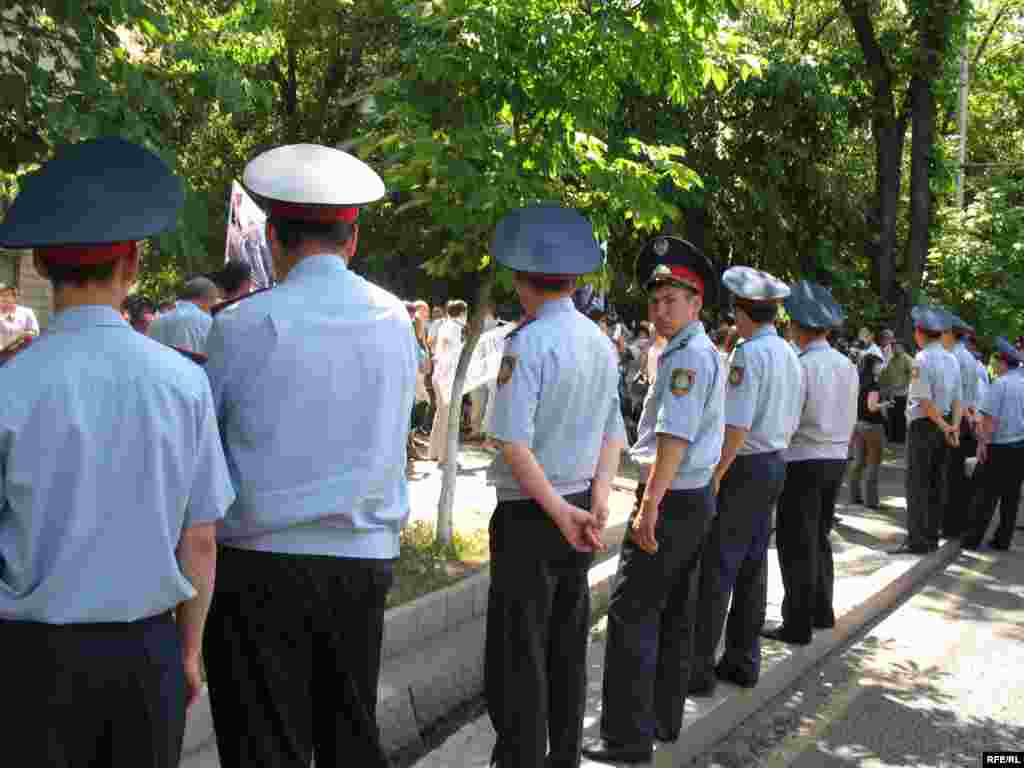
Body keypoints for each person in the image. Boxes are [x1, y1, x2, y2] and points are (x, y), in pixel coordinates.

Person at [0, 137, 234, 768]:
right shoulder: (183, 382)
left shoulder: (8, 385)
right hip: (144, 653)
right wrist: (189, 652)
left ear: (41, 263)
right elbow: (200, 538)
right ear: (132, 264)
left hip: (29, 661)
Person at [202, 144, 416, 768]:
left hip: (260, 563)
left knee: (264, 744)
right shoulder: (395, 320)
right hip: (361, 559)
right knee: (350, 734)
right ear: (354, 239)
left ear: (272, 237)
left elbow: (208, 441)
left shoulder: (239, 325)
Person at [483, 205, 624, 768]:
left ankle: (520, 759)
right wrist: (598, 500)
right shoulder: (600, 343)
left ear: (523, 281)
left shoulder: (528, 343)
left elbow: (513, 444)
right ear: (572, 281)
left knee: (519, 653)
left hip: (531, 514)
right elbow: (613, 434)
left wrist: (561, 512)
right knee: (566, 646)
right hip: (579, 508)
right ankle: (563, 756)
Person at [583, 237, 723, 764]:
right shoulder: (695, 351)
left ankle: (625, 738)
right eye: (655, 299)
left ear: (696, 303)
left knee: (631, 614)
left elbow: (674, 437)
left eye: (672, 299)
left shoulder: (688, 357)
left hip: (671, 498)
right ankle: (663, 719)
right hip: (690, 497)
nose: (660, 309)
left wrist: (649, 506)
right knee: (674, 612)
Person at [691, 266, 803, 693]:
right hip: (774, 462)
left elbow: (736, 426)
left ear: (741, 312)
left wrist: (717, 474)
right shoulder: (788, 353)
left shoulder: (748, 355)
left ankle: (698, 668)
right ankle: (743, 659)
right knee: (753, 566)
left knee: (718, 566)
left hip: (745, 466)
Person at [763, 281, 857, 646]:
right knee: (819, 537)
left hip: (803, 459)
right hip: (836, 458)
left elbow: (790, 419)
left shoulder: (801, 366)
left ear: (799, 326)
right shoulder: (846, 364)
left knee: (795, 543)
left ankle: (797, 623)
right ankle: (821, 610)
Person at [894, 306, 961, 554]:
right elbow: (958, 399)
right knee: (935, 483)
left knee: (917, 484)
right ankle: (931, 537)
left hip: (925, 426)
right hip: (944, 423)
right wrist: (953, 426)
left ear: (920, 333)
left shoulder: (921, 359)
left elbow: (923, 400)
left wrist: (943, 425)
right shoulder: (951, 359)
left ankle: (918, 540)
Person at [962, 338, 1024, 550]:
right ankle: (1003, 539)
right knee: (1011, 496)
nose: (993, 364)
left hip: (999, 447)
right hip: (1019, 445)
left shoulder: (1001, 384)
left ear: (1003, 362)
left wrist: (982, 444)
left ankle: (972, 539)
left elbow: (990, 420)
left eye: (995, 360)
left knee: (986, 496)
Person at [429, 299, 468, 462]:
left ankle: (434, 452)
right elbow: (451, 354)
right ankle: (443, 455)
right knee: (445, 417)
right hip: (447, 377)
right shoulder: (454, 328)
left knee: (440, 415)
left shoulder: (446, 325)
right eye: (466, 312)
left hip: (439, 375)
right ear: (461, 313)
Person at [848, 351, 888, 508]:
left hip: (858, 424)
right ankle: (871, 501)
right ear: (873, 366)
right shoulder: (873, 385)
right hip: (872, 426)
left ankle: (854, 495)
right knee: (873, 462)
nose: (881, 367)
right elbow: (872, 407)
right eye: (879, 365)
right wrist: (884, 404)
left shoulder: (856, 381)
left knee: (858, 461)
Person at [148, 276, 220, 355]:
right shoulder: (207, 322)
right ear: (206, 299)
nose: (212, 307)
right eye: (213, 301)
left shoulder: (157, 321)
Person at [879, 339, 914, 443]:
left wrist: (904, 385)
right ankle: (891, 438)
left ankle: (900, 439)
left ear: (902, 348)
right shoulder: (890, 360)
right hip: (891, 393)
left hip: (903, 394)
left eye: (897, 347)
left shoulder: (908, 359)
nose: (895, 349)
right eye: (893, 347)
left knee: (900, 417)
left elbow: (913, 376)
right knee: (891, 416)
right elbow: (885, 375)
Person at [0, 282, 39, 351]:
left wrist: (25, 335)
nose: (3, 298)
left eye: (7, 295)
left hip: (23, 351)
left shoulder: (27, 312)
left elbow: (35, 332)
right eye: (1, 295)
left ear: (14, 298)